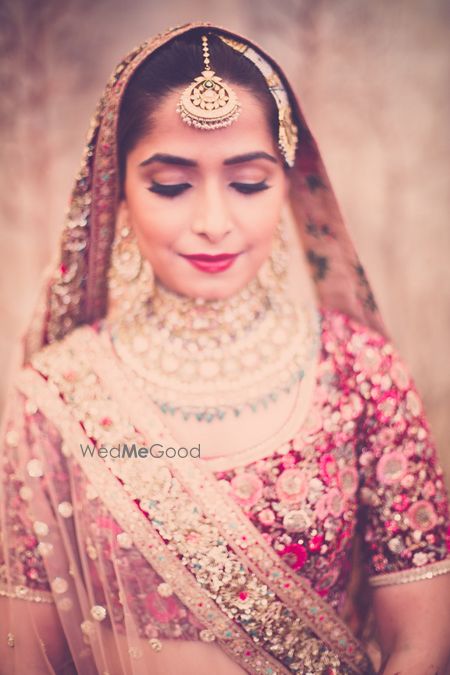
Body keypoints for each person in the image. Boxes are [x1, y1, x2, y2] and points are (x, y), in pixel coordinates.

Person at [0, 21, 449, 675]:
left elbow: (422, 643)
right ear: (116, 188)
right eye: (171, 185)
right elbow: (26, 655)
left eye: (248, 182)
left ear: (288, 183)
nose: (213, 221)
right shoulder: (57, 395)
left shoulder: (359, 369)